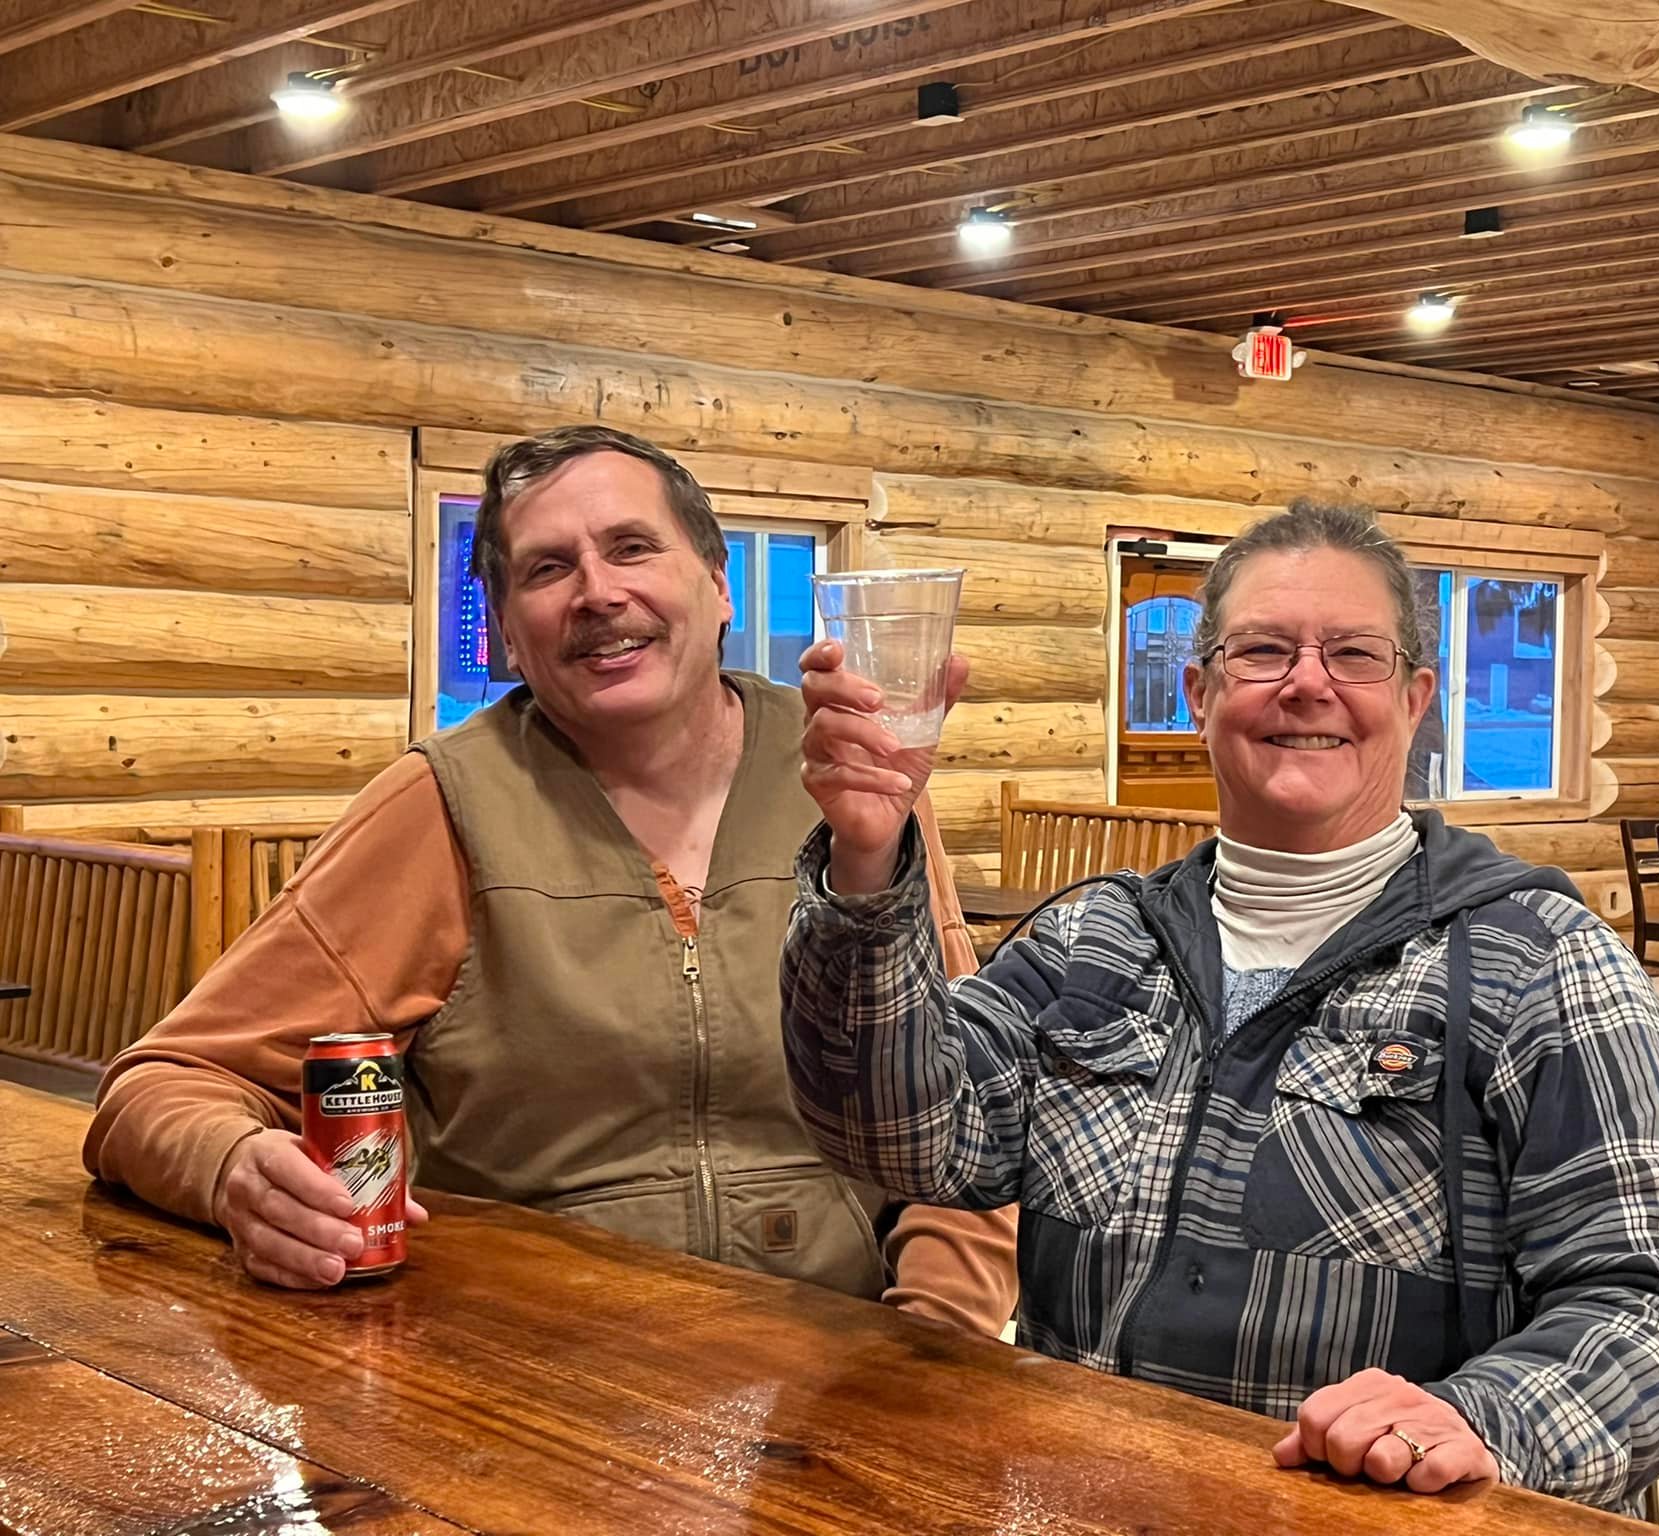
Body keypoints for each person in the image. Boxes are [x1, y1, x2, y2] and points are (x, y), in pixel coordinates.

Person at [780, 500, 1659, 1510]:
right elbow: (893, 1134)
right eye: (1262, 651)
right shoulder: (1093, 941)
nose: (1307, 683)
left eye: (1354, 654)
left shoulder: (1541, 964)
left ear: (1415, 697)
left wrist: (1482, 1420)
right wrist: (865, 861)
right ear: (1199, 693)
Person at [85, 424, 1016, 1335]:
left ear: (718, 583)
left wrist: (936, 1340)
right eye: (547, 569)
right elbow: (164, 1085)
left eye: (632, 547)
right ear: (507, 632)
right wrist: (235, 1168)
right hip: (527, 1379)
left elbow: (967, 1112)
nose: (598, 593)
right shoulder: (442, 803)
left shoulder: (850, 780)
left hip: (834, 1370)